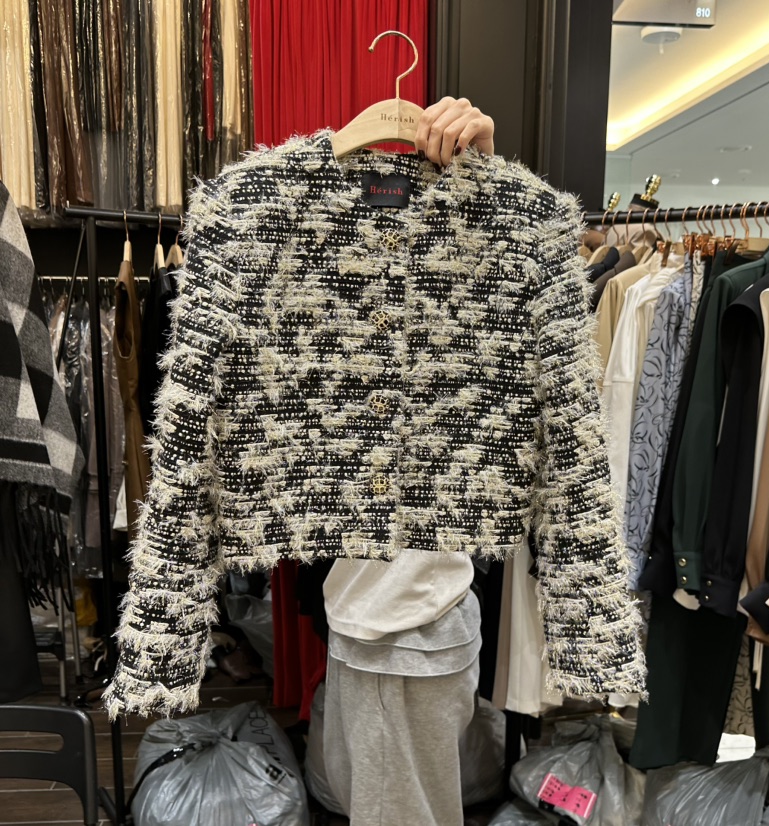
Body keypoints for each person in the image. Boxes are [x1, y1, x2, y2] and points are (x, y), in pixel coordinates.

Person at [320, 97, 496, 826]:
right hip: (384, 618)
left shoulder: (455, 280)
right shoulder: (318, 262)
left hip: (401, 628)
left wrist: (484, 171)